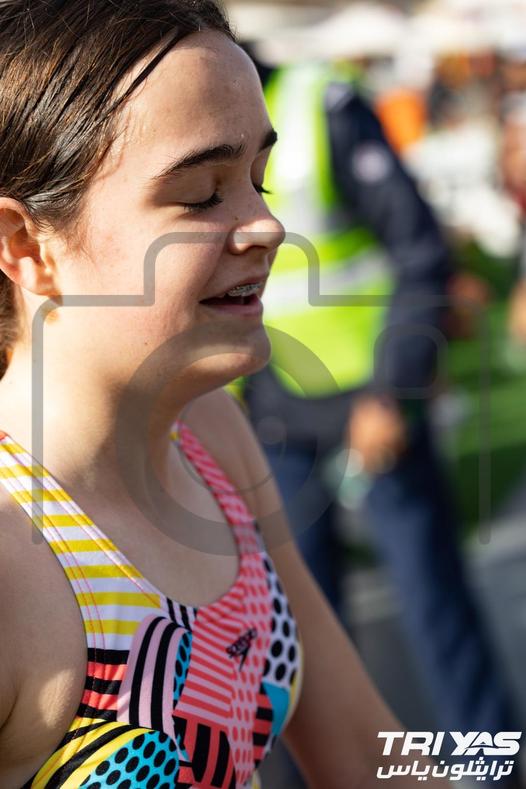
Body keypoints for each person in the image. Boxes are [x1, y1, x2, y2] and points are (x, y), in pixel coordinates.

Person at [0, 2, 452, 788]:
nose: (267, 225)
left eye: (257, 179)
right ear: (26, 244)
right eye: (203, 192)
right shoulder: (13, 561)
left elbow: (366, 745)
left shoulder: (211, 433)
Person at [241, 55, 522, 767]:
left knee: (435, 606)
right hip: (275, 413)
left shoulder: (322, 101)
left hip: (373, 408)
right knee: (297, 636)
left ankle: (487, 768)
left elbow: (419, 250)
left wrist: (393, 392)